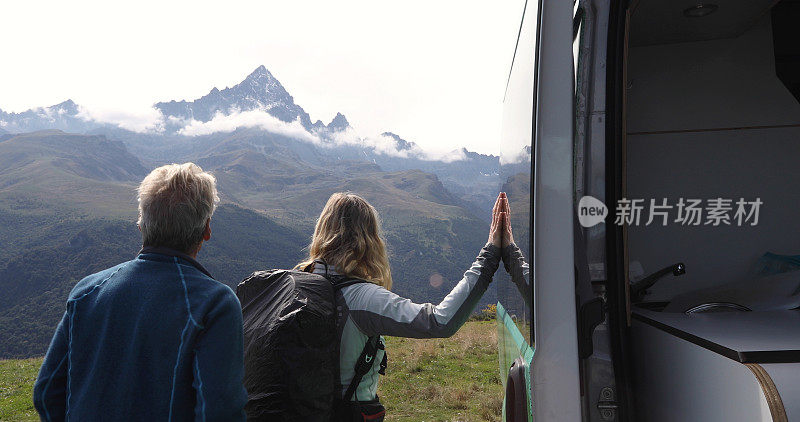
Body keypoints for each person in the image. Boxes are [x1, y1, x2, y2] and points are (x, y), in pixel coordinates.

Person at [33, 163, 247, 422]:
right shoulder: (215, 305)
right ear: (206, 230)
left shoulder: (87, 292)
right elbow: (218, 410)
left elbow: (46, 392)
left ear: (141, 224)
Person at [293, 191, 511, 417]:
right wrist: (489, 256)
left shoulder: (288, 289)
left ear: (322, 231)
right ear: (368, 239)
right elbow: (439, 321)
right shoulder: (362, 299)